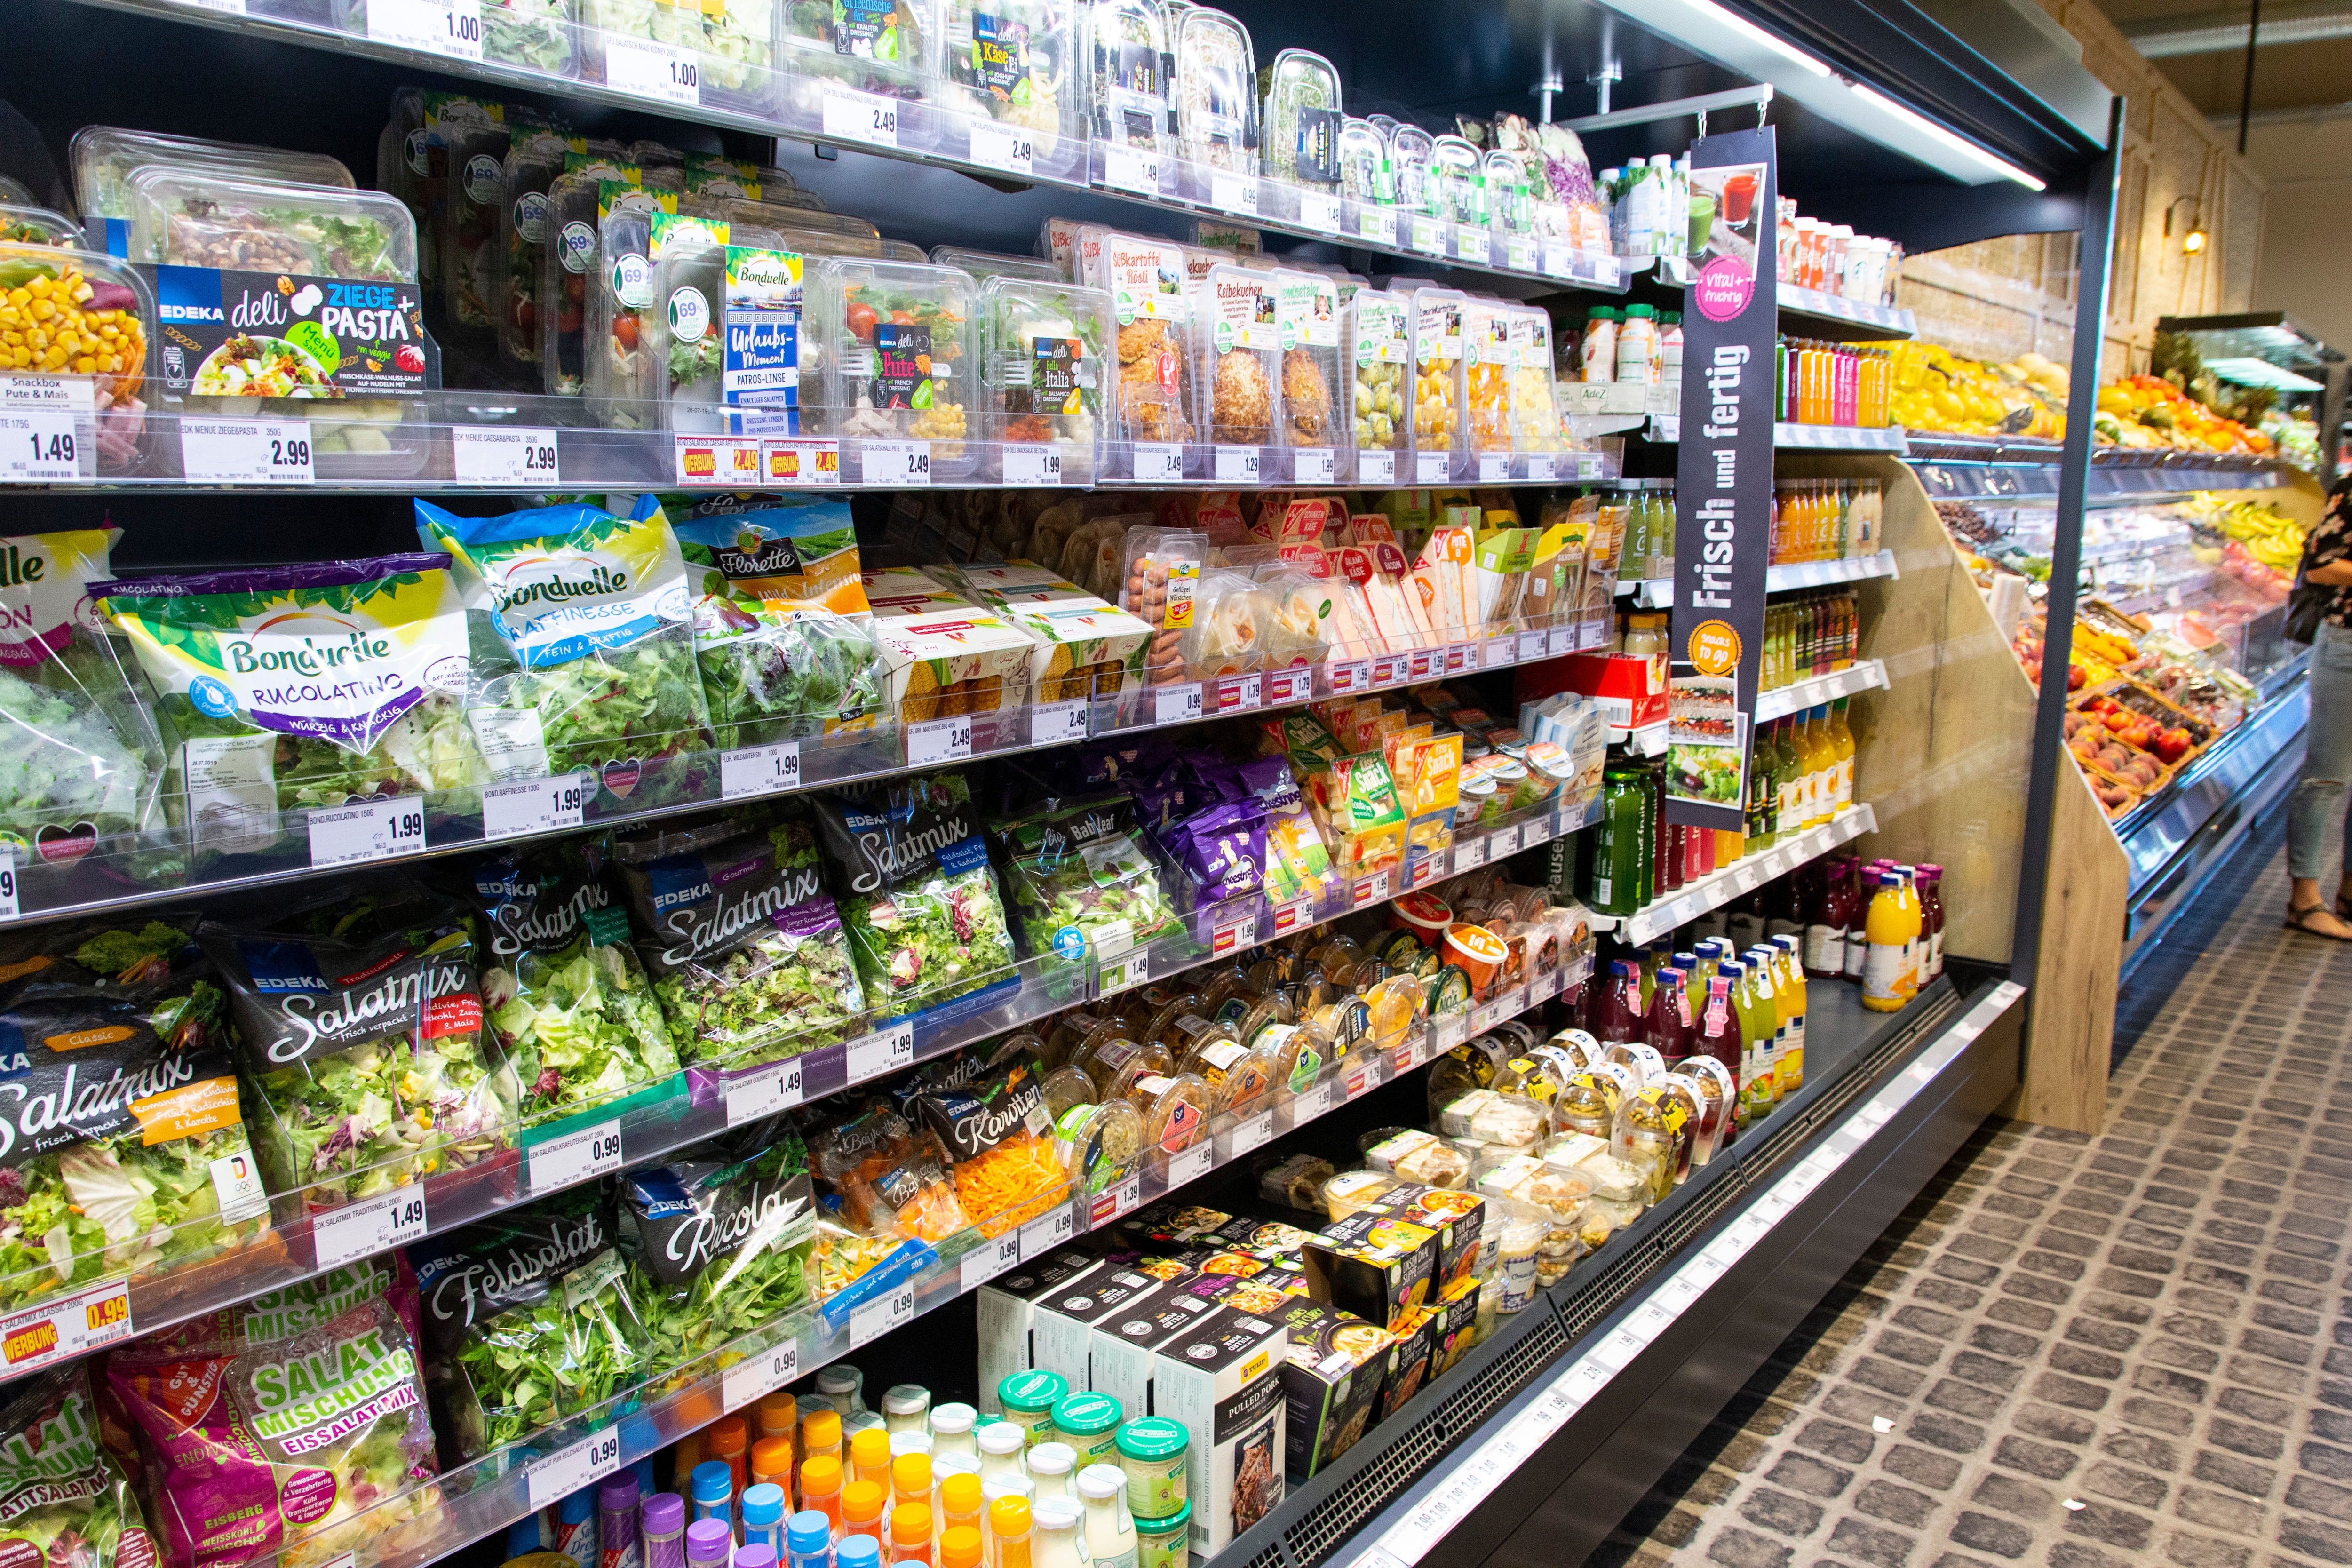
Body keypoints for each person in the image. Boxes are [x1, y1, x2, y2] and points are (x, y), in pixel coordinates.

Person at [2286, 473, 2352, 937]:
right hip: (2347, 644)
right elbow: (2320, 566)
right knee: (2326, 775)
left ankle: (2349, 891)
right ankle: (2303, 900)